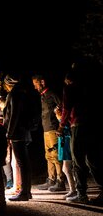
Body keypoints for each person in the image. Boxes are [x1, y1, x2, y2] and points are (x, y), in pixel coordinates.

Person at [56, 65, 103, 205]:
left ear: (68, 79)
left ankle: (81, 194)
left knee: (78, 161)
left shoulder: (69, 88)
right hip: (93, 125)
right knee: (93, 159)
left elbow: (66, 108)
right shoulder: (90, 88)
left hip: (77, 126)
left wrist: (61, 125)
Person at [32, 74, 66, 192]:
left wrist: (59, 124)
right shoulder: (43, 95)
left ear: (42, 82)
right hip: (46, 129)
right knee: (48, 155)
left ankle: (60, 180)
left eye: (36, 84)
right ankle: (51, 179)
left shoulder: (52, 93)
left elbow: (62, 106)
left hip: (53, 129)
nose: (35, 87)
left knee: (56, 155)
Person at [2, 73, 33, 201]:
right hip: (24, 130)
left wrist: (9, 133)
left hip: (17, 132)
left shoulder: (14, 94)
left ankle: (24, 193)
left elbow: (13, 114)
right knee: (24, 162)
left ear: (8, 84)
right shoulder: (23, 93)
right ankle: (27, 192)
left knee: (22, 163)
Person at [54, 105, 77, 200]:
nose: (56, 115)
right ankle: (74, 189)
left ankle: (74, 190)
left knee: (67, 168)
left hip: (67, 148)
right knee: (65, 169)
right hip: (64, 148)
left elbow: (68, 133)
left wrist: (60, 132)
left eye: (57, 113)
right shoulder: (62, 123)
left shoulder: (65, 124)